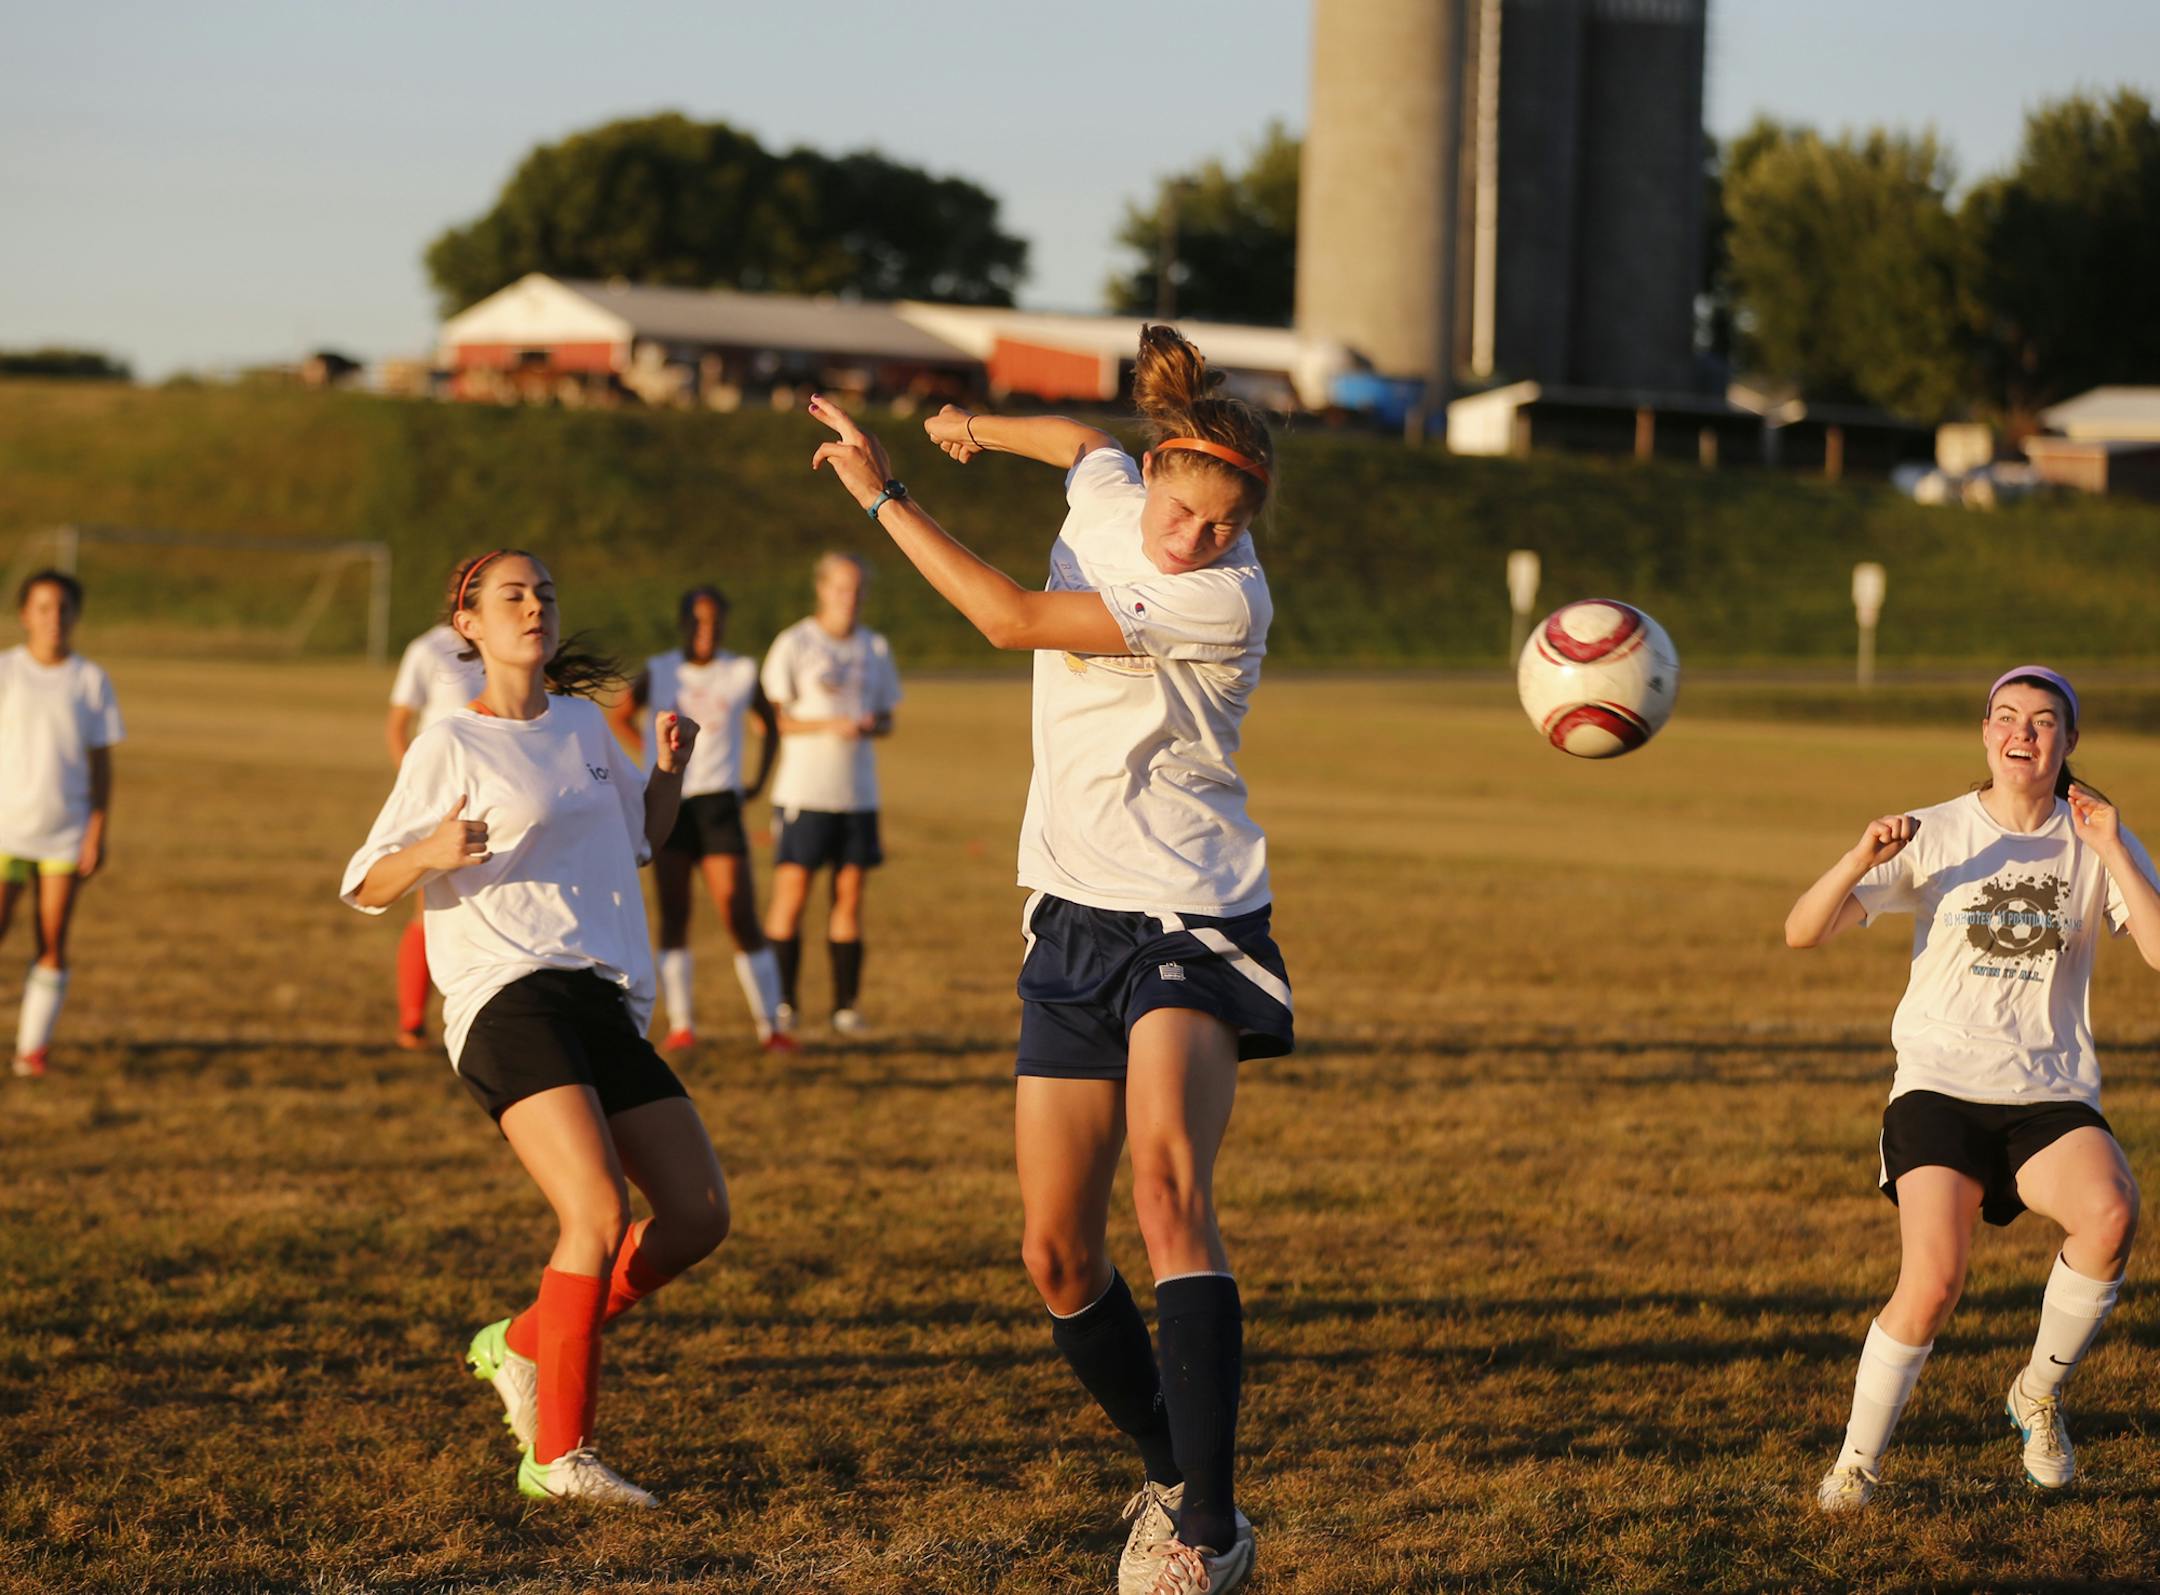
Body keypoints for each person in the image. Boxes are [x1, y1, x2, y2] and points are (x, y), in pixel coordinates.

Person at [806, 324, 1287, 1594]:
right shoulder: (1122, 494)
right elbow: (1086, 447)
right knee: (1055, 1253)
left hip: (1191, 912)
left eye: (1226, 528)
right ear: (1163, 484)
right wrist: (977, 429)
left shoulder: (1218, 600)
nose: (1198, 541)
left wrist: (888, 490)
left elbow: (1009, 615)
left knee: (1170, 1190)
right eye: (1187, 513)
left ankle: (1211, 1532)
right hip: (1070, 913)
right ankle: (1171, 1472)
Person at [341, 549, 732, 1507]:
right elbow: (363, 882)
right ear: (468, 623)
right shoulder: (450, 744)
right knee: (595, 1213)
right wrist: (431, 850)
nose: (534, 606)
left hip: (599, 993)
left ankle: (518, 1341)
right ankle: (560, 1455)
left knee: (696, 1215)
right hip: (504, 995)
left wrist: (670, 772)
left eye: (544, 593)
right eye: (511, 594)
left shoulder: (586, 725)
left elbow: (642, 840)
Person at [1786, 667, 2158, 1512]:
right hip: (1939, 1088)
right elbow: (1800, 931)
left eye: (2043, 720)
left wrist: (2111, 848)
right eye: (2005, 717)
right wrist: (1859, 855)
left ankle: (2036, 1394)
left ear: (2067, 741)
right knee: (1935, 1281)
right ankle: (1856, 1464)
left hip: (2049, 1091)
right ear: (1984, 733)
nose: (2021, 732)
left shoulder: (2095, 833)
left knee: (2111, 1214)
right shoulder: (1937, 830)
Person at [607, 584, 788, 1051]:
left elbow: (771, 727)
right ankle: (683, 1025)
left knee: (738, 910)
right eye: (697, 620)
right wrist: (651, 755)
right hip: (673, 802)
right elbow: (619, 715)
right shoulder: (661, 670)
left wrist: (757, 782)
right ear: (683, 622)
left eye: (715, 621)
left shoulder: (741, 671)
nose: (706, 630)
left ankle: (772, 1028)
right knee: (674, 913)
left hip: (719, 805)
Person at [759, 552, 901, 1038]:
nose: (850, 597)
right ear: (822, 589)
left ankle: (845, 1007)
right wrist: (827, 724)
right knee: (793, 894)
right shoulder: (795, 643)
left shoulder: (873, 647)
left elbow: (887, 718)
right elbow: (774, 720)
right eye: (841, 588)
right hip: (805, 791)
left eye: (858, 588)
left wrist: (868, 724)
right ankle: (781, 1004)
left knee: (849, 897)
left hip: (858, 794)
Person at [0, 570, 122, 1079]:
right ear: (26, 614)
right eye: (44, 608)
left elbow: (101, 765)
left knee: (52, 938)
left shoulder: (90, 680)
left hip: (64, 832)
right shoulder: (6, 671)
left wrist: (96, 829)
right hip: (6, 828)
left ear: (76, 615)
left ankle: (32, 1050)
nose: (55, 618)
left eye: (64, 608)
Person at [385, 585, 487, 1051]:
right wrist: (420, 790)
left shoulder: (499, 647)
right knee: (430, 904)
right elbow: (397, 726)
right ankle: (413, 1020)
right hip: (449, 798)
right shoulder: (426, 650)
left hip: (502, 792)